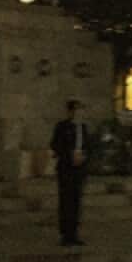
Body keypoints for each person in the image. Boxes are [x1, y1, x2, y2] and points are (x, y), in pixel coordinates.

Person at [50, 99, 88, 246]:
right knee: (66, 202)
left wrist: (83, 155)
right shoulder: (62, 126)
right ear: (70, 111)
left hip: (79, 170)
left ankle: (74, 234)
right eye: (77, 110)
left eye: (81, 109)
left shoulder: (83, 128)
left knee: (76, 202)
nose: (79, 113)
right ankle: (65, 235)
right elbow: (55, 145)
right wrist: (69, 154)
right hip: (66, 169)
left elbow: (88, 145)